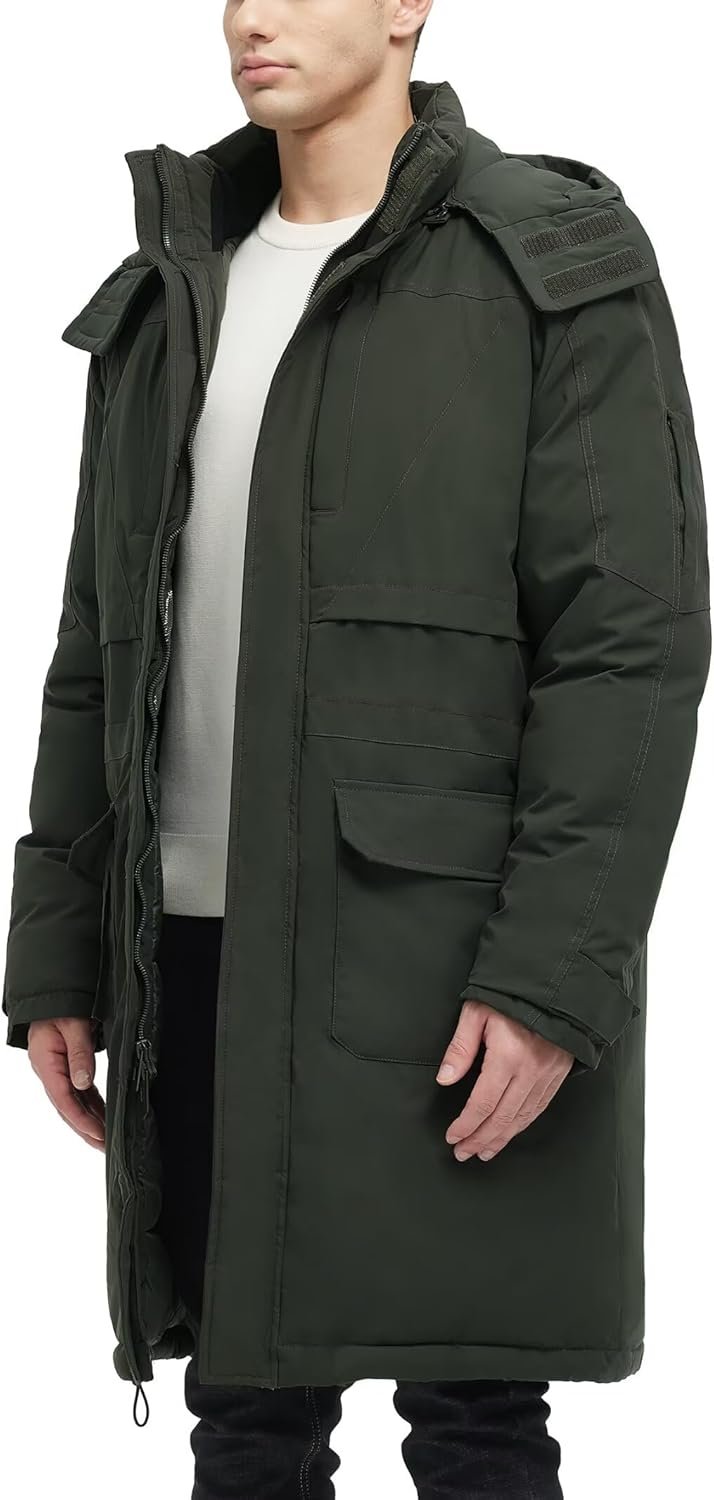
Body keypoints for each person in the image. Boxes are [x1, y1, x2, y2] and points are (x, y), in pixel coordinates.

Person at [3, 1, 711, 1496]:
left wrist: (553, 975)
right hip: (193, 945)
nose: (252, 18)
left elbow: (629, 644)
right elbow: (94, 650)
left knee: (477, 1424)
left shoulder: (546, 260)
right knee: (245, 1424)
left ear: (406, 5)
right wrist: (58, 947)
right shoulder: (170, 288)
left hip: (443, 955)